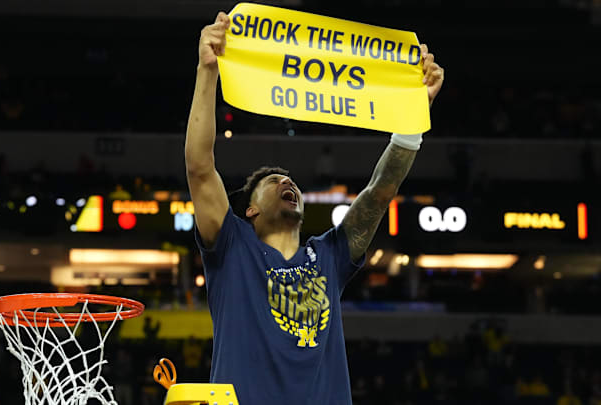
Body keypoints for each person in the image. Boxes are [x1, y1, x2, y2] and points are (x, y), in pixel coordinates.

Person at [185, 11, 444, 404]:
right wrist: (208, 70)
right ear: (249, 211)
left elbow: (378, 194)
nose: (288, 183)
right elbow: (200, 167)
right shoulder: (232, 246)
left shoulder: (329, 254)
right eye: (273, 183)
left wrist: (412, 116)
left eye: (292, 183)